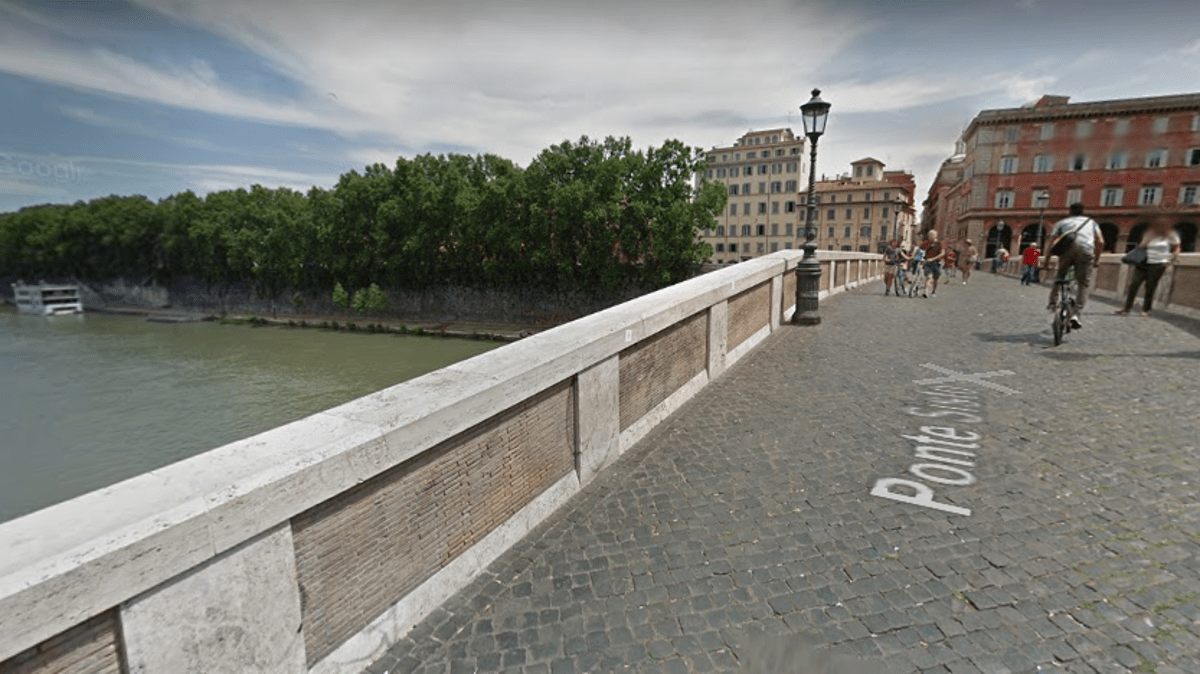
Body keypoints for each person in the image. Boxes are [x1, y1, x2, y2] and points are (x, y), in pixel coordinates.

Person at [1046, 203, 1104, 329]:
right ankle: (1076, 315)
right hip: (1086, 251)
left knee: (1060, 275)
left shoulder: (1062, 223)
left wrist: (1046, 261)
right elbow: (1100, 241)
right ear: (1082, 212)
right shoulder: (1091, 222)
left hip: (1067, 250)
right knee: (1083, 284)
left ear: (1070, 212)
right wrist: (1096, 260)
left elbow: (1052, 243)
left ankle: (1052, 302)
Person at [1116, 215, 1181, 317]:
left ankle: (1146, 310)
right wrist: (1146, 240)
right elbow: (1141, 246)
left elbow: (1177, 248)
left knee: (1150, 287)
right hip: (1144, 262)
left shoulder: (1171, 234)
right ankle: (1126, 308)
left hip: (1158, 264)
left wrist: (1170, 260)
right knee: (1134, 284)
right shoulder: (1150, 233)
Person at [921, 230, 946, 298]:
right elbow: (920, 249)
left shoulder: (940, 243)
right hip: (928, 262)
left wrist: (933, 258)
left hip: (937, 263)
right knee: (928, 277)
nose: (930, 237)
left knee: (936, 278)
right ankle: (925, 291)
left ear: (935, 236)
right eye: (929, 235)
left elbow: (942, 253)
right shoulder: (926, 243)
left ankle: (934, 291)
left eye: (931, 235)